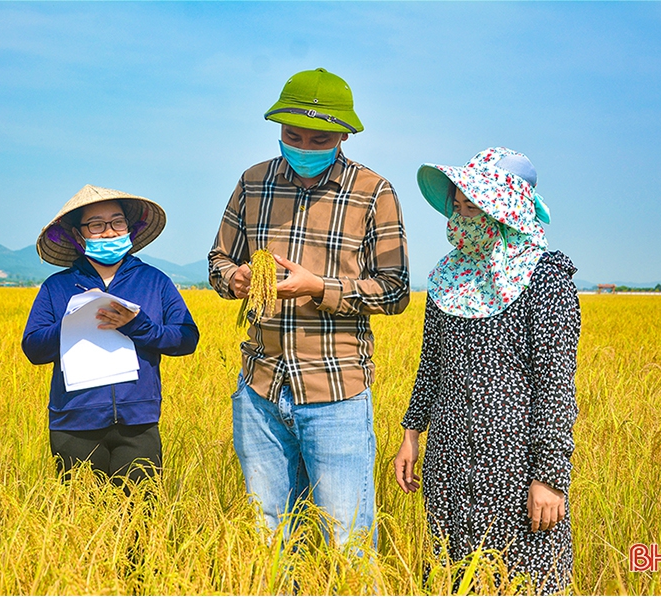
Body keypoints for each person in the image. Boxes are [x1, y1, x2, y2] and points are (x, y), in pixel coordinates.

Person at [206, 68, 410, 552]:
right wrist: (235, 279)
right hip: (260, 386)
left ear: (343, 136)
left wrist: (318, 287)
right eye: (292, 136)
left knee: (347, 540)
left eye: (319, 139)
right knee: (269, 535)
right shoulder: (253, 183)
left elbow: (395, 290)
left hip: (336, 390)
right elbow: (218, 260)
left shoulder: (373, 192)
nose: (302, 147)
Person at [393, 147, 577, 594]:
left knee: (522, 580)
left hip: (516, 470)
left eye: (471, 207)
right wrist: (411, 435)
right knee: (452, 577)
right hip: (449, 463)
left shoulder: (544, 278)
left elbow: (555, 386)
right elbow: (431, 366)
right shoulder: (447, 278)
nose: (459, 217)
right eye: (457, 206)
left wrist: (550, 478)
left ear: (504, 211)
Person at [22, 184, 199, 489]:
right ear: (78, 235)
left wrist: (138, 325)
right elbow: (33, 348)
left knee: (141, 511)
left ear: (129, 228)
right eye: (96, 225)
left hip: (138, 422)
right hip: (74, 423)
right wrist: (71, 323)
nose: (109, 232)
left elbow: (186, 338)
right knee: (81, 513)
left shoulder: (154, 281)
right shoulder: (57, 287)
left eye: (117, 222)